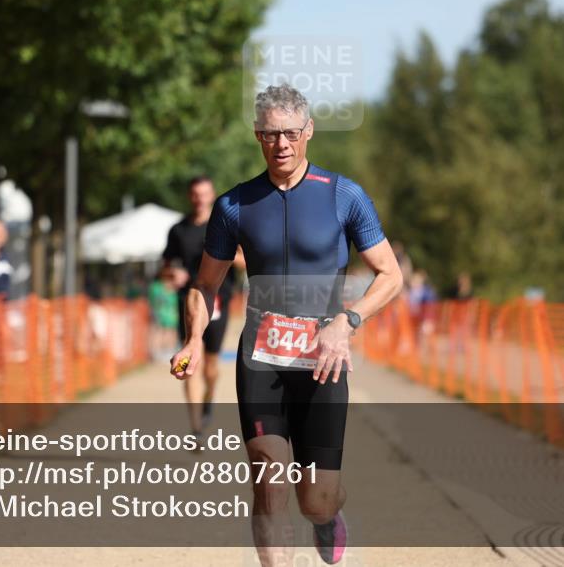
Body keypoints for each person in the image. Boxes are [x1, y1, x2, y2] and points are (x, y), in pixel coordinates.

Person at [169, 83, 403, 566]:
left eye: (291, 133)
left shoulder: (344, 195)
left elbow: (391, 275)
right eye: (270, 134)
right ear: (257, 135)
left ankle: (327, 516)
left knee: (314, 499)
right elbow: (204, 284)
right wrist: (193, 338)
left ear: (308, 131)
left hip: (323, 361)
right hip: (261, 357)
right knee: (268, 477)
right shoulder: (234, 206)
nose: (281, 144)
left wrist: (347, 321)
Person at [162, 176, 241, 437]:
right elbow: (166, 266)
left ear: (212, 195)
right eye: (195, 194)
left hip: (219, 300)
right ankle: (196, 425)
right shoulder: (178, 230)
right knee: (189, 356)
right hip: (188, 301)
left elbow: (245, 259)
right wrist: (174, 275)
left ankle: (209, 398)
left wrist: (223, 260)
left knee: (210, 364)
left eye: (204, 193)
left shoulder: (224, 226)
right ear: (190, 196)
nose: (200, 199)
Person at [147, 272, 179, 361]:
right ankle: (156, 353)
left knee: (170, 333)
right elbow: (153, 301)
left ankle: (167, 351)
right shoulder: (156, 287)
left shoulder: (173, 289)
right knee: (158, 332)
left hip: (170, 315)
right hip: (159, 314)